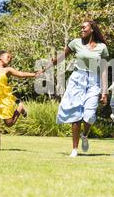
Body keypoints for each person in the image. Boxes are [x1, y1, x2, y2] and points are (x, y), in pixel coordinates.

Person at [41, 21, 109, 157]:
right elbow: (61, 57)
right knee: (76, 115)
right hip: (78, 78)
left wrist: (104, 91)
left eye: (84, 27)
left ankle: (85, 135)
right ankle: (75, 149)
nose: (81, 29)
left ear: (92, 30)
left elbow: (104, 70)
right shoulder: (75, 43)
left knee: (89, 115)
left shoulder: (102, 47)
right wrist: (46, 68)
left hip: (94, 81)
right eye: (81, 27)